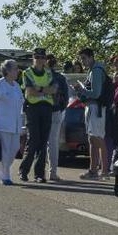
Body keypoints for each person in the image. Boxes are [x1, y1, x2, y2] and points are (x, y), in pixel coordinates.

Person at [19, 48, 57, 183]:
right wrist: (44, 91)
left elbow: (54, 89)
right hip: (33, 109)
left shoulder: (48, 72)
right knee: (34, 141)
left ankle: (39, 174)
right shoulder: (27, 73)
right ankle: (24, 170)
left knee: (43, 142)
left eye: (42, 57)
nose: (40, 60)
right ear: (33, 59)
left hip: (46, 109)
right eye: (37, 57)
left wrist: (39, 89)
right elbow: (30, 92)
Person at [0, 59, 25, 186]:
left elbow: (21, 103)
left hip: (15, 124)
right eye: (15, 68)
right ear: (7, 71)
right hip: (1, 123)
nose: (17, 70)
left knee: (15, 149)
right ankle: (5, 177)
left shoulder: (16, 86)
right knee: (5, 151)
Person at [74, 48, 110, 180]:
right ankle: (93, 170)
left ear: (91, 57)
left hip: (96, 108)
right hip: (93, 108)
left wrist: (81, 90)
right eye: (81, 58)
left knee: (98, 139)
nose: (82, 61)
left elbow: (96, 93)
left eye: (84, 58)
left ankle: (104, 171)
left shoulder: (96, 71)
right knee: (92, 139)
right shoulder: (94, 70)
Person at [47, 54, 69, 182]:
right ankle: (53, 172)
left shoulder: (41, 77)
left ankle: (39, 172)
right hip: (56, 111)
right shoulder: (60, 78)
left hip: (42, 111)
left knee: (41, 142)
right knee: (53, 143)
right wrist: (61, 109)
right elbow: (65, 98)